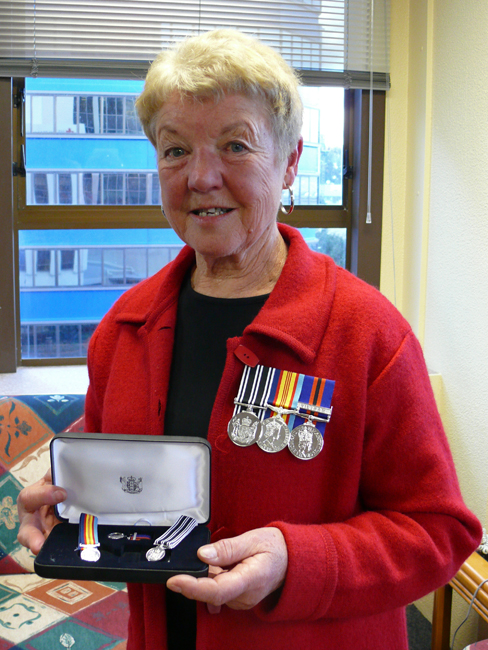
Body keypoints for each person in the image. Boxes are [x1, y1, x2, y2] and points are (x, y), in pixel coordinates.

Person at [17, 29, 481, 650]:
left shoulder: (367, 333)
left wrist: (297, 559)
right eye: (176, 150)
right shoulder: (122, 331)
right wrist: (66, 513)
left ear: (289, 162)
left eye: (235, 145)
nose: (202, 177)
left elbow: (438, 532)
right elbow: (125, 489)